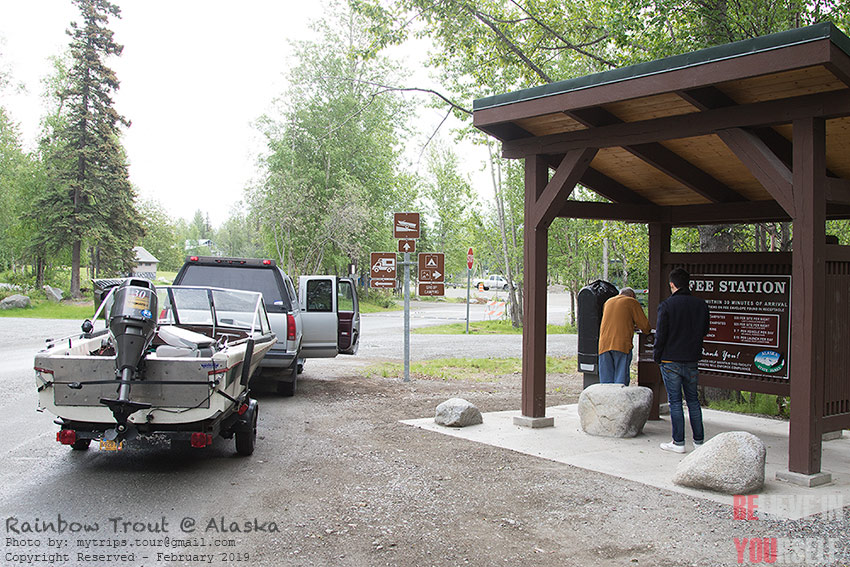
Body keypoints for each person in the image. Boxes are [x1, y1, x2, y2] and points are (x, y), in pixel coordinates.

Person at [653, 268, 711, 454]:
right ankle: (699, 441)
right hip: (692, 358)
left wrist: (657, 355)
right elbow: (705, 330)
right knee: (693, 401)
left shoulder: (667, 306)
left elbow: (661, 334)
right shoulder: (701, 305)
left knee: (675, 402)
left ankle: (678, 442)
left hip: (670, 359)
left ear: (672, 284)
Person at [598, 287, 651, 385]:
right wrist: (645, 331)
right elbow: (645, 326)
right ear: (632, 296)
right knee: (620, 381)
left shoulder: (608, 302)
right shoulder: (631, 302)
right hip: (621, 345)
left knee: (606, 383)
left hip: (604, 345)